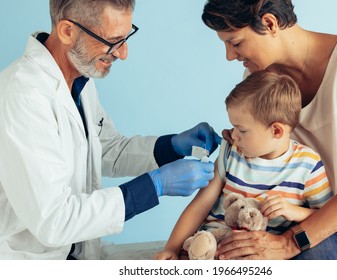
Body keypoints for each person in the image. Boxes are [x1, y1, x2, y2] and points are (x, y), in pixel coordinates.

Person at [0, 0, 221, 260]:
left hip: (79, 253)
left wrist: (170, 146)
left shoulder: (79, 79)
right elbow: (54, 220)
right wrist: (154, 186)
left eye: (126, 37)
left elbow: (107, 149)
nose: (123, 53)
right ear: (67, 31)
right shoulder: (23, 95)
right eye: (113, 40)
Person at [201, 0, 337, 260]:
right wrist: (243, 142)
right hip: (308, 220)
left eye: (235, 43)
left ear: (269, 23)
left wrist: (290, 243)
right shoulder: (259, 82)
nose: (230, 56)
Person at [155, 70, 333, 260]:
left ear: (276, 131)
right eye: (233, 127)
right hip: (211, 246)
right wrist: (172, 248)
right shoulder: (231, 153)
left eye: (241, 130)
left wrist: (293, 211)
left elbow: (327, 215)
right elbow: (200, 205)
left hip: (258, 254)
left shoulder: (307, 165)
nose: (233, 135)